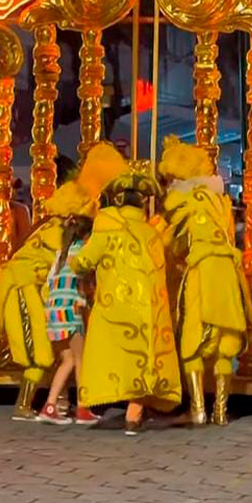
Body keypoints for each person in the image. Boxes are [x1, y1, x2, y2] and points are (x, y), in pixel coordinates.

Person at [0, 143, 128, 420]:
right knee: (42, 352)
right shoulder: (59, 235)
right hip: (23, 290)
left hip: (45, 297)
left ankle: (60, 403)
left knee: (64, 355)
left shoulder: (58, 232)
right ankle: (29, 405)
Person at [72, 168, 181, 436]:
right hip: (148, 308)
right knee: (142, 357)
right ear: (143, 203)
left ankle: (90, 403)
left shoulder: (107, 224)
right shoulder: (151, 233)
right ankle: (134, 414)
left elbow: (84, 261)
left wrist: (73, 260)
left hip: (115, 305)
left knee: (112, 355)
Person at [159, 137, 252, 427]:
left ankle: (198, 409)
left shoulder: (183, 201)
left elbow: (177, 244)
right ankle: (221, 411)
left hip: (201, 272)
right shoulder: (218, 200)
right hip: (228, 273)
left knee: (193, 339)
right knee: (225, 342)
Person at [36, 215, 98, 426]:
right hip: (71, 310)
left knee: (68, 360)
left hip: (54, 312)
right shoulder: (81, 252)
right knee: (80, 360)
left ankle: (50, 405)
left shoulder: (60, 254)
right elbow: (82, 283)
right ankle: (83, 406)